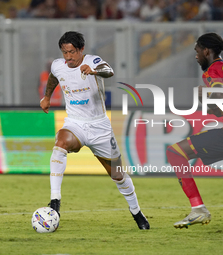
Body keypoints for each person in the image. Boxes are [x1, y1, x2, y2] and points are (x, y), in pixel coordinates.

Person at [40, 31, 150, 230]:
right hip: (75, 124)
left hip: (100, 127)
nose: (68, 57)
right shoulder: (58, 65)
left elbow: (108, 70)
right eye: (65, 52)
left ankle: (137, 213)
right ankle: (55, 201)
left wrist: (94, 71)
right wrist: (47, 96)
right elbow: (54, 77)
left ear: (81, 50)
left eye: (72, 52)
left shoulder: (93, 61)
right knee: (60, 142)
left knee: (118, 175)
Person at [166, 32, 223, 229]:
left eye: (197, 51)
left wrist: (205, 95)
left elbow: (219, 94)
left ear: (206, 51)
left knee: (175, 152)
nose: (196, 55)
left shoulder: (212, 71)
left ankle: (198, 209)